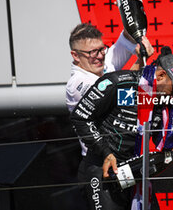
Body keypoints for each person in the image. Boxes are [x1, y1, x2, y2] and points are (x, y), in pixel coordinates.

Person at [70, 46, 173, 210]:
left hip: (135, 172)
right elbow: (80, 116)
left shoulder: (164, 102)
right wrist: (105, 152)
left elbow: (168, 142)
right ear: (161, 75)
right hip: (103, 170)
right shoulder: (117, 82)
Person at [66, 23, 153, 207]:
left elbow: (127, 37)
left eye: (101, 49)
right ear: (75, 55)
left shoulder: (102, 63)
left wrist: (133, 15)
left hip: (124, 161)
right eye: (92, 53)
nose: (99, 56)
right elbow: (121, 98)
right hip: (98, 166)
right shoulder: (77, 84)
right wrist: (140, 60)